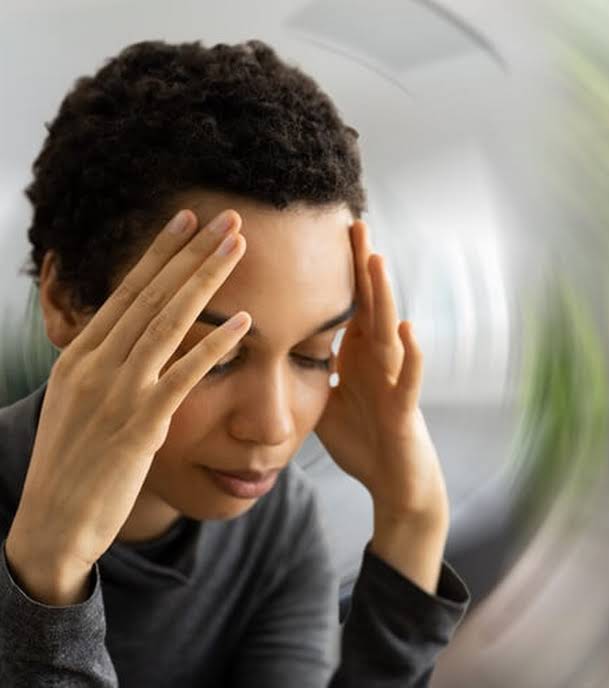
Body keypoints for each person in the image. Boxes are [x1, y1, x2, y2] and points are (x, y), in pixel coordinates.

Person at [0, 39, 470, 686]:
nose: (273, 427)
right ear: (63, 300)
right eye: (213, 357)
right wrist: (45, 577)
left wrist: (413, 519)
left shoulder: (277, 527)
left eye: (313, 355)